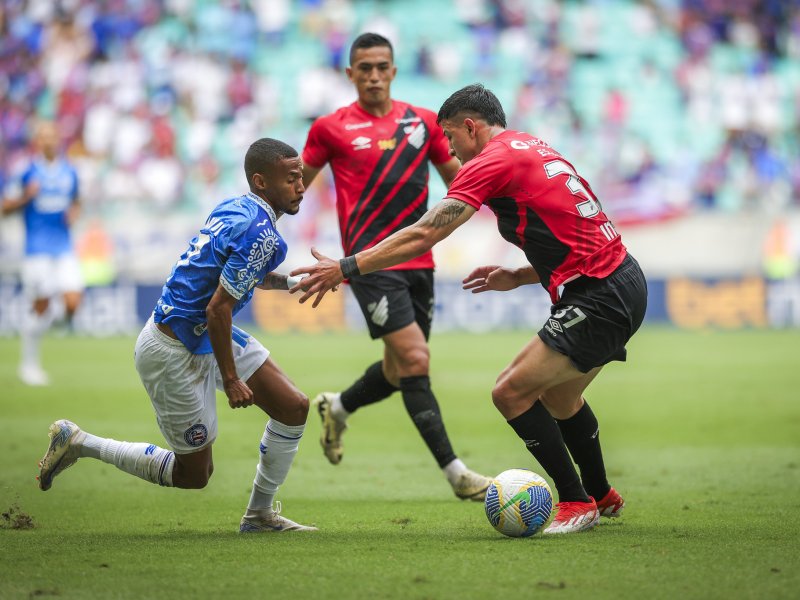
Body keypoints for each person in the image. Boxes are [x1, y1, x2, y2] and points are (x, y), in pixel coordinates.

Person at [291, 84, 648, 534]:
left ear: (470, 127)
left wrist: (346, 267)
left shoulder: (491, 159)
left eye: (451, 138)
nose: (452, 150)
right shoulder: (531, 145)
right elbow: (577, 230)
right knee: (560, 397)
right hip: (622, 280)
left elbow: (425, 233)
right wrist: (518, 276)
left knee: (510, 392)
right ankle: (601, 494)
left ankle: (577, 502)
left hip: (599, 293)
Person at [38, 138, 317, 533]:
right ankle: (80, 442)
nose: (301, 187)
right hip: (173, 348)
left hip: (201, 331)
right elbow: (218, 308)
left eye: (301, 178)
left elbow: (233, 277)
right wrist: (232, 379)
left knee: (293, 406)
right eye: (291, 179)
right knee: (194, 474)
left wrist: (290, 282)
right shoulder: (261, 232)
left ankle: (258, 516)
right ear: (261, 182)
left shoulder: (235, 208)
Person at [300, 32, 491, 501]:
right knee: (416, 360)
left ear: (394, 70)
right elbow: (294, 188)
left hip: (420, 260)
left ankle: (338, 407)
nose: (373, 75)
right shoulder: (329, 129)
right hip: (367, 262)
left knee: (397, 368)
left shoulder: (424, 123)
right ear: (350, 74)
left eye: (381, 66)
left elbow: (461, 184)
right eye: (364, 68)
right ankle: (456, 473)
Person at [2, 120, 84, 386]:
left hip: (63, 246)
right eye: (43, 136)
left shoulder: (69, 171)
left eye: (52, 135)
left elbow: (76, 201)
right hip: (36, 249)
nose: (49, 140)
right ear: (37, 141)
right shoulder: (26, 171)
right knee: (41, 305)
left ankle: (50, 322)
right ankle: (29, 364)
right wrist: (27, 196)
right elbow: (5, 207)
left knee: (73, 301)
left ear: (58, 139)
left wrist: (73, 214)